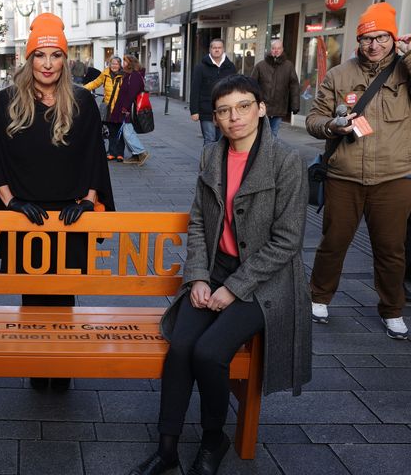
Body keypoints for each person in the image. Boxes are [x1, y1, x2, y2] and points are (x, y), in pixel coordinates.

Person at [128, 74, 311, 475]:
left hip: (265, 284)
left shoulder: (286, 161)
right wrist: (197, 276)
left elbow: (287, 241)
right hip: (214, 270)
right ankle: (167, 447)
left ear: (261, 108)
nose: (234, 118)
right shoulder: (212, 155)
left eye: (243, 106)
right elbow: (198, 221)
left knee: (209, 353)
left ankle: (214, 437)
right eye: (224, 111)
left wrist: (234, 288)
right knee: (180, 347)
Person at [0, 13, 115, 391]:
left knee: (63, 297)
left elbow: (93, 157)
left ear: (65, 58)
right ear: (29, 58)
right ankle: (39, 364)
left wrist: (88, 202)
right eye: (41, 55)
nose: (48, 63)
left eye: (56, 55)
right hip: (25, 217)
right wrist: (12, 204)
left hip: (69, 216)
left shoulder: (83, 101)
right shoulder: (5, 102)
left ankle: (62, 365)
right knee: (33, 299)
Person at [307, 2, 411, 340]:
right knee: (334, 242)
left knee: (391, 249)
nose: (374, 45)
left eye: (382, 37)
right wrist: (332, 127)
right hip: (344, 175)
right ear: (359, 40)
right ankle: (319, 297)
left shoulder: (404, 70)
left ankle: (392, 310)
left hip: (393, 178)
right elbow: (313, 119)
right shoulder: (340, 74)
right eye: (367, 38)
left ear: (393, 38)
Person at [189, 39, 237, 146]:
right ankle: (209, 162)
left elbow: (235, 89)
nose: (217, 50)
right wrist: (194, 111)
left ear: (223, 49)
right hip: (206, 110)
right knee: (210, 139)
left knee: (223, 140)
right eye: (214, 48)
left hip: (225, 110)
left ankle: (219, 162)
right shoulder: (200, 67)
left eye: (219, 48)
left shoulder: (230, 67)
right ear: (210, 49)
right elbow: (195, 89)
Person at [251, 39, 300, 137]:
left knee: (274, 133)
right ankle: (260, 151)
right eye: (274, 48)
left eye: (279, 48)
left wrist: (295, 105)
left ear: (282, 49)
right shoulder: (260, 66)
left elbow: (294, 85)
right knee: (261, 133)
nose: (276, 50)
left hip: (279, 107)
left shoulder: (288, 66)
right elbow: (252, 85)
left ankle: (270, 152)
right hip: (263, 107)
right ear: (270, 49)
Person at [106, 54, 150, 165]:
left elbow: (131, 94)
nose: (123, 64)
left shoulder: (134, 76)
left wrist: (125, 108)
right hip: (124, 107)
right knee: (127, 131)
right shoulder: (130, 75)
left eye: (125, 62)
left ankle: (141, 152)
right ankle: (135, 155)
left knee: (127, 132)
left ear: (131, 63)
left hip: (127, 109)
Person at [84, 56, 124, 161]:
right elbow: (95, 83)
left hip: (120, 108)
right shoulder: (105, 74)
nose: (114, 66)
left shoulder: (124, 75)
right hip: (109, 107)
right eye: (112, 63)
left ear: (120, 65)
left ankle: (120, 153)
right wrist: (83, 88)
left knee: (120, 131)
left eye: (116, 64)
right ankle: (112, 152)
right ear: (109, 64)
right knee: (111, 131)